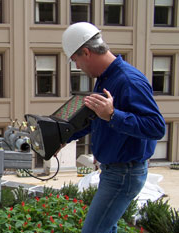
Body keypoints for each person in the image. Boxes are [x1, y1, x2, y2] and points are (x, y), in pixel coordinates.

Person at [61, 22, 166, 233]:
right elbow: (94, 119)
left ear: (86, 52)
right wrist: (63, 138)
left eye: (76, 61)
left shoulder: (128, 80)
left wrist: (113, 115)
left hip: (124, 173)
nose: (77, 67)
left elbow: (156, 127)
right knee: (106, 229)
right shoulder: (105, 79)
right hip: (114, 171)